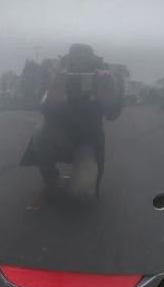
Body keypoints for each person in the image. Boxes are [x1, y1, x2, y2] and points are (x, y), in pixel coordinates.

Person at [20, 44, 123, 209]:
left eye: (86, 68)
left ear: (93, 65)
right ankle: (51, 180)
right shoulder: (58, 76)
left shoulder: (101, 79)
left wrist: (109, 93)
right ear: (67, 63)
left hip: (87, 142)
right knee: (40, 132)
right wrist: (56, 90)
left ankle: (79, 175)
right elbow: (45, 111)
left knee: (81, 193)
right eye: (75, 68)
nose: (79, 74)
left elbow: (112, 115)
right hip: (59, 135)